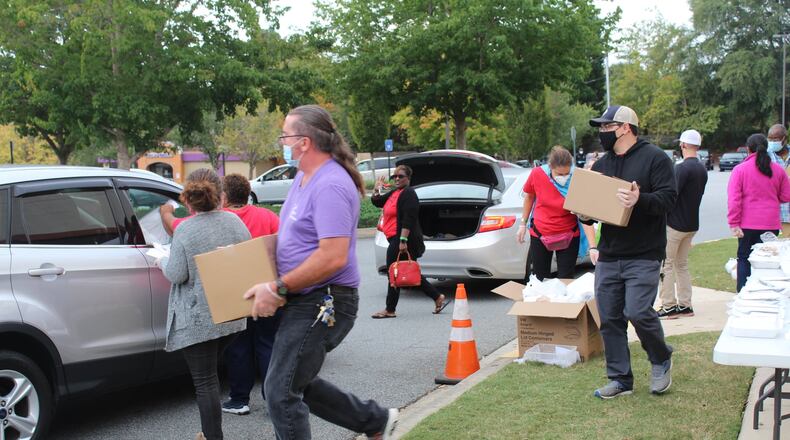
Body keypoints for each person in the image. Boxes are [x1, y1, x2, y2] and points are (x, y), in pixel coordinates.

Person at [243, 105, 397, 440]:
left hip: (325, 301)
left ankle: (375, 420)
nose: (282, 142)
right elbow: (295, 237)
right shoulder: (303, 178)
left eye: (285, 135)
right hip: (305, 299)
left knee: (280, 392)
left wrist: (278, 286)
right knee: (291, 383)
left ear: (304, 142)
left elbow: (333, 257)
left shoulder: (331, 184)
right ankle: (375, 420)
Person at [584, 105, 677, 399]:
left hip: (644, 252)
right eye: (600, 127)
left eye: (607, 127)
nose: (602, 132)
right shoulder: (601, 165)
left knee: (637, 311)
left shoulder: (655, 158)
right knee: (610, 318)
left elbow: (668, 199)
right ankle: (620, 379)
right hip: (610, 254)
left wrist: (639, 199)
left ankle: (661, 357)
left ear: (625, 128)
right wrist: (583, 211)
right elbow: (592, 211)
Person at [158, 168, 250, 440]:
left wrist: (160, 260)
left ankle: (212, 436)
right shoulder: (234, 221)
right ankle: (209, 434)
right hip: (231, 315)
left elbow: (177, 274)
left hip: (198, 319)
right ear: (220, 195)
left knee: (205, 381)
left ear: (188, 200)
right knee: (210, 377)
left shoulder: (185, 229)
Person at [218, 174, 281, 416]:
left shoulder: (219, 219)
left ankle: (239, 400)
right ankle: (273, 400)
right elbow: (283, 246)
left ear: (224, 196)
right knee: (268, 344)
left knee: (237, 347)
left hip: (235, 293)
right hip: (267, 289)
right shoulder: (268, 216)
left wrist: (166, 214)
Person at [370, 165, 450, 319]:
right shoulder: (395, 192)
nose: (397, 179)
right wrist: (376, 189)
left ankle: (390, 309)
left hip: (403, 239)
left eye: (400, 176)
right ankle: (437, 296)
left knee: (393, 272)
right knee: (408, 271)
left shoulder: (409, 193)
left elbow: (409, 219)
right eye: (395, 176)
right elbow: (378, 202)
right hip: (395, 238)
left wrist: (403, 240)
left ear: (408, 178)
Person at [516, 145, 596, 280]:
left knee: (566, 279)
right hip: (540, 233)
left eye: (567, 173)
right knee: (540, 279)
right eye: (559, 174)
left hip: (569, 234)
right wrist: (522, 224)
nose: (564, 177)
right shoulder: (537, 174)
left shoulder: (577, 178)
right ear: (550, 168)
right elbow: (529, 197)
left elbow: (584, 214)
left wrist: (593, 247)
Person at [727, 133, 790, 292]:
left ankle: (743, 293)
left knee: (744, 259)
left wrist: (734, 223)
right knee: (766, 261)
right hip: (770, 223)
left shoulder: (740, 170)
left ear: (748, 149)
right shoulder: (778, 170)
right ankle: (765, 292)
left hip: (747, 224)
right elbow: (786, 196)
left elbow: (734, 199)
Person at [657, 130, 708, 319]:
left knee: (667, 265)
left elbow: (671, 196)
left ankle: (668, 305)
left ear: (683, 145)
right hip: (691, 224)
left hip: (675, 224)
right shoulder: (702, 169)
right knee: (682, 265)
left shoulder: (681, 169)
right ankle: (685, 305)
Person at [767, 124, 790, 237]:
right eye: (769, 139)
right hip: (772, 214)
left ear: (784, 139)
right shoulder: (764, 156)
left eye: (775, 139)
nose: (771, 142)